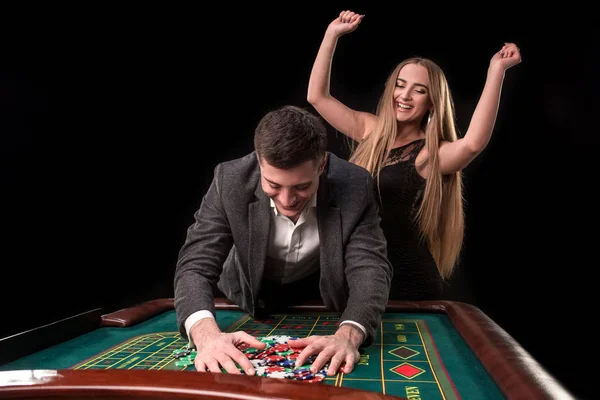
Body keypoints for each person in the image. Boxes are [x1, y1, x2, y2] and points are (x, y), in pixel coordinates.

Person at [307, 10, 522, 300]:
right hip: (357, 275)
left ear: (432, 102)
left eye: (419, 90)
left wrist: (497, 71)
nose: (405, 96)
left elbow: (471, 144)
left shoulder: (429, 155)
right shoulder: (370, 130)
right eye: (400, 84)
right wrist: (331, 34)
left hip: (406, 281)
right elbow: (317, 97)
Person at [173, 105, 392, 378]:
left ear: (322, 164)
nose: (287, 201)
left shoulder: (355, 184)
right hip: (248, 296)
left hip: (321, 299)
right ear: (259, 162)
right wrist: (206, 336)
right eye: (273, 185)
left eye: (301, 187)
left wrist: (349, 333)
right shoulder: (229, 180)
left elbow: (369, 266)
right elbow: (195, 265)